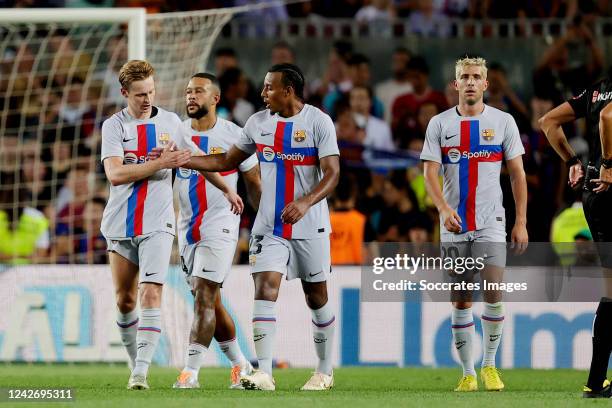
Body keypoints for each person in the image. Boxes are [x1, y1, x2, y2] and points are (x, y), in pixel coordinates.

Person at [180, 63, 340, 391]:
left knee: (317, 297)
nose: (263, 93)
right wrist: (182, 159)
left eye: (269, 87)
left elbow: (332, 172)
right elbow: (226, 161)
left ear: (289, 91)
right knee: (265, 290)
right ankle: (263, 372)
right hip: (269, 226)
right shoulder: (257, 123)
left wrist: (306, 202)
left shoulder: (318, 122)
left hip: (311, 225)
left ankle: (324, 371)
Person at [100, 60, 242, 390]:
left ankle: (141, 374)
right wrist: (160, 163)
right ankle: (135, 362)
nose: (147, 99)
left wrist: (226, 188)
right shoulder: (114, 126)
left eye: (150, 91)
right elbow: (116, 175)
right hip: (120, 223)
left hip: (159, 222)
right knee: (124, 301)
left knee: (150, 293)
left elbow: (192, 158)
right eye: (139, 94)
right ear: (125, 93)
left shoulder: (171, 123)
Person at [420, 56, 528, 392]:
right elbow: (429, 173)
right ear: (455, 84)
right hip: (454, 224)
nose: (469, 81)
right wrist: (442, 209)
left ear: (485, 84)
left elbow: (517, 174)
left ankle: (490, 366)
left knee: (493, 289)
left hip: (492, 221)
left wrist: (521, 220)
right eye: (464, 76)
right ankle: (467, 372)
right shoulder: (439, 124)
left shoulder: (504, 121)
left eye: (475, 76)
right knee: (462, 299)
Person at [171, 72, 262, 389]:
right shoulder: (177, 132)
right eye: (187, 92)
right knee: (210, 300)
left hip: (221, 225)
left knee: (205, 296)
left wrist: (264, 226)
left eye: (198, 91)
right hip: (187, 228)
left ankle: (189, 373)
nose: (191, 97)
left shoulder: (235, 135)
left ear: (215, 98)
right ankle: (242, 365)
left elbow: (254, 185)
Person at [538, 67, 612, 398]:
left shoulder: (597, 91)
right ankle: (595, 383)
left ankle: (596, 383)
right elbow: (609, 119)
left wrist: (572, 161)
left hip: (595, 195)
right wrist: (609, 164)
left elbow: (547, 122)